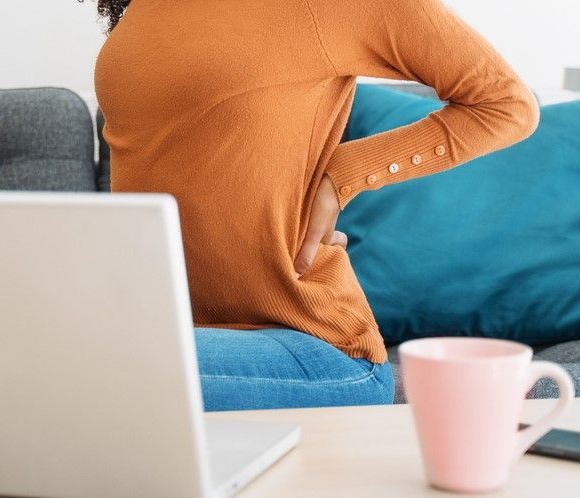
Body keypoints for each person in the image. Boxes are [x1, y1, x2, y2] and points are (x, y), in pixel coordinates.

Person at [89, 0, 540, 410]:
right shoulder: (144, 9)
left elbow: (505, 104)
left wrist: (345, 173)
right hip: (165, 332)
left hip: (311, 348)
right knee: (69, 356)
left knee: (90, 369)